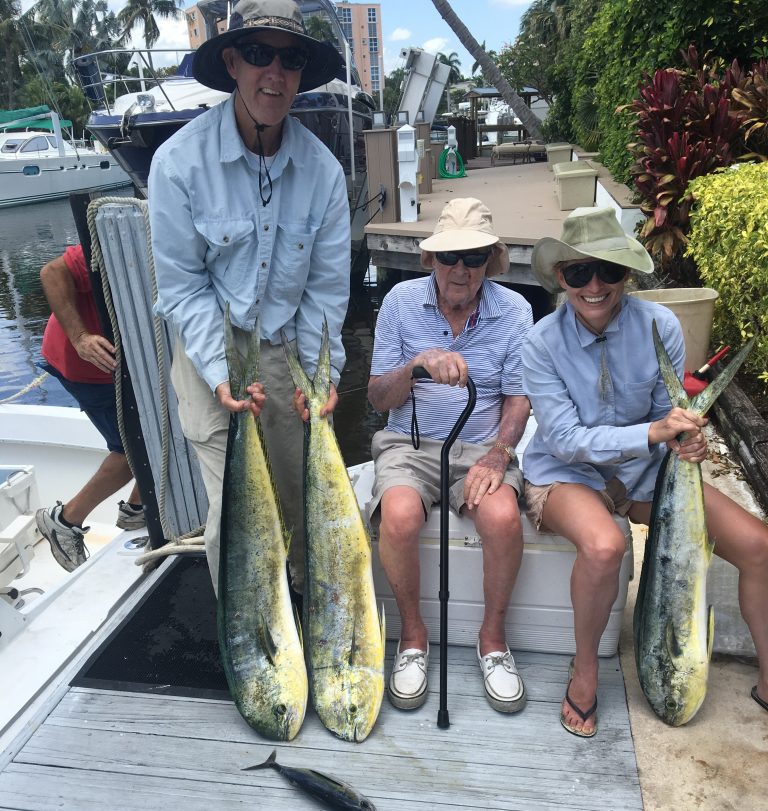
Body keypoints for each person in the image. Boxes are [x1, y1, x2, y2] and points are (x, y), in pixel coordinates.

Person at [522, 206, 768, 737]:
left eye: (608, 270)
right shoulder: (541, 342)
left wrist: (688, 436)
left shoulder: (660, 325)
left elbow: (670, 414)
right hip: (568, 476)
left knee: (759, 546)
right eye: (579, 272)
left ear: (627, 274)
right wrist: (655, 433)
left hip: (644, 477)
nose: (595, 285)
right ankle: (585, 671)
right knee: (605, 546)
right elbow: (564, 439)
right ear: (561, 277)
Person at [148, 0, 350, 595]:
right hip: (210, 346)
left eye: (290, 59)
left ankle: (319, 633)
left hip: (285, 352)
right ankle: (253, 654)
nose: (275, 73)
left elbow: (325, 290)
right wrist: (219, 374)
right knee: (234, 521)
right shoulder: (177, 165)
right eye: (259, 54)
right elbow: (183, 286)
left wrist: (322, 371)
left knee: (303, 507)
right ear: (232, 62)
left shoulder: (325, 174)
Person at [367, 197, 533, 713]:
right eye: (449, 257)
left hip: (482, 444)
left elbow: (518, 398)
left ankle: (493, 639)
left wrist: (499, 454)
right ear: (430, 260)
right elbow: (377, 398)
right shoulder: (398, 302)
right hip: (409, 444)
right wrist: (415, 366)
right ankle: (412, 636)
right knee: (397, 515)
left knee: (504, 517)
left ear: (492, 261)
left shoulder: (516, 311)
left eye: (475, 257)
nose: (461, 269)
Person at [35, 245, 144, 573]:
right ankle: (65, 520)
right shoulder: (123, 236)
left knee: (161, 436)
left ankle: (137, 510)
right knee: (131, 451)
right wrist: (80, 336)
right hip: (87, 364)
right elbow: (52, 272)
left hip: (127, 366)